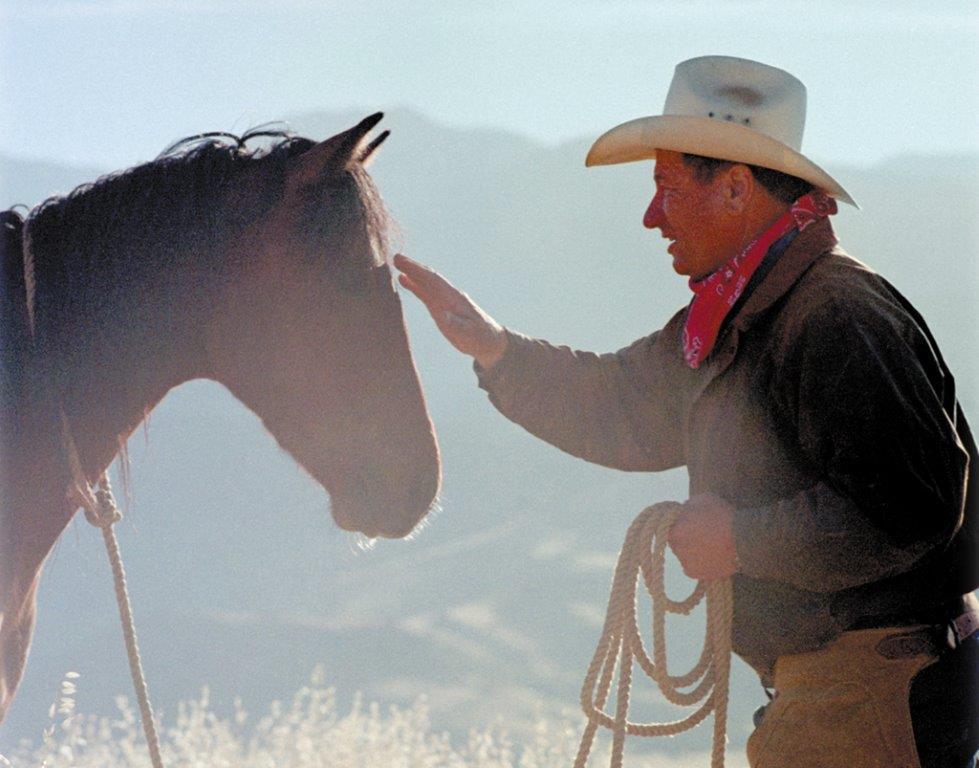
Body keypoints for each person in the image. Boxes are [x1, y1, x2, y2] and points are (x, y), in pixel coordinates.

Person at [393, 55, 978, 768]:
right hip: (845, 691)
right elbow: (623, 403)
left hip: (867, 692)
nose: (649, 215)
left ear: (734, 187)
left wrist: (741, 540)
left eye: (665, 187)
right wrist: (495, 349)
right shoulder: (744, 316)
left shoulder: (833, 314)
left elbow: (909, 507)